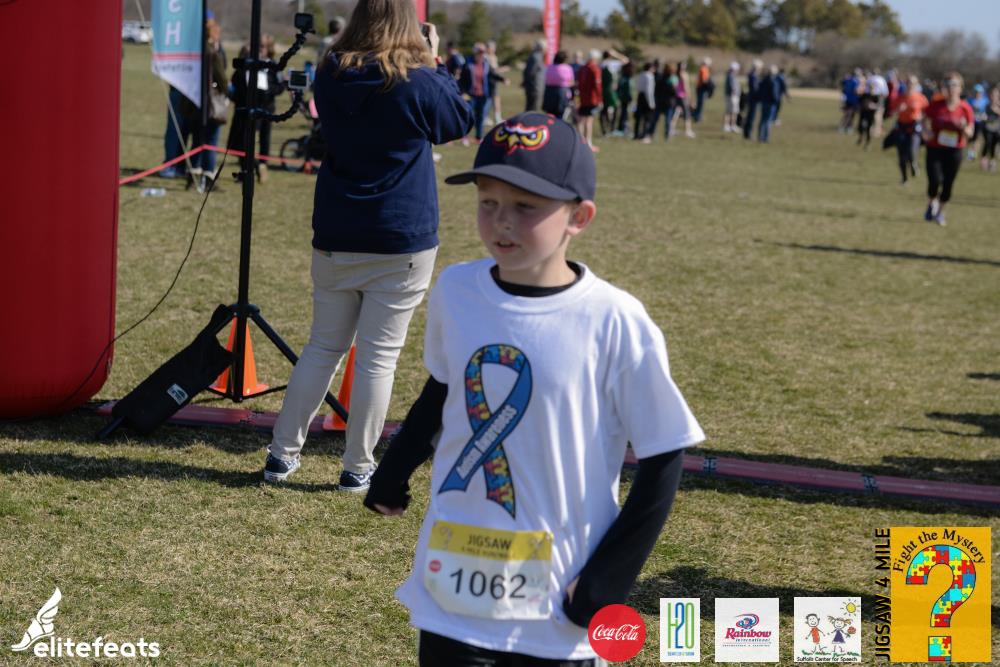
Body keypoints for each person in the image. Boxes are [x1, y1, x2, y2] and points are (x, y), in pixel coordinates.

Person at [364, 112, 704, 665]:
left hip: (557, 607)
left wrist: (607, 579)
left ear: (579, 217)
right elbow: (444, 387)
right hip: (453, 588)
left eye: (526, 207)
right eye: (488, 202)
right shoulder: (457, 290)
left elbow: (664, 454)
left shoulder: (613, 319)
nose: (502, 221)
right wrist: (395, 469)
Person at [263, 0, 473, 489]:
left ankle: (281, 454)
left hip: (338, 229)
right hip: (400, 235)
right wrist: (435, 62)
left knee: (322, 347)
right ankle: (357, 465)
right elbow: (457, 123)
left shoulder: (331, 71)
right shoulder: (418, 79)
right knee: (379, 357)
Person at [921, 72, 975, 226]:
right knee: (934, 179)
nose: (951, 88)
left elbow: (970, 132)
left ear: (961, 88)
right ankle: (932, 203)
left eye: (954, 85)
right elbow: (924, 119)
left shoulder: (965, 108)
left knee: (948, 183)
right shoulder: (936, 105)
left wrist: (964, 128)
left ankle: (940, 212)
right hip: (935, 148)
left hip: (954, 150)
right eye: (947, 85)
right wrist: (926, 131)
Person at [894, 75, 929, 184]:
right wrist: (899, 109)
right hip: (902, 126)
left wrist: (921, 118)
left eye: (912, 83)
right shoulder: (901, 97)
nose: (910, 85)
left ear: (916, 85)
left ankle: (913, 163)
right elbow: (892, 111)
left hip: (915, 126)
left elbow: (927, 113)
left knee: (912, 150)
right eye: (908, 83)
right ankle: (904, 178)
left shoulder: (921, 98)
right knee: (901, 154)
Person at [460, 43, 494, 144]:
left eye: (483, 53)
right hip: (470, 95)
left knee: (481, 116)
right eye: (479, 52)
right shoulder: (468, 64)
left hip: (483, 95)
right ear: (475, 53)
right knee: (468, 116)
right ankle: (464, 137)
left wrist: (503, 79)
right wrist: (462, 92)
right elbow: (462, 79)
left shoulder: (486, 64)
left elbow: (492, 74)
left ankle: (479, 137)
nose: (481, 55)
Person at [575, 50, 602, 152]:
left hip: (583, 97)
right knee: (589, 120)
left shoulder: (582, 68)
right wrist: (600, 98)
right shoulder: (594, 68)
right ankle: (588, 143)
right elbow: (597, 85)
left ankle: (580, 142)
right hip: (591, 98)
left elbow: (578, 83)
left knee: (581, 120)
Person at [647, 62, 677, 143]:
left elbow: (674, 92)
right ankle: (651, 134)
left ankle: (667, 136)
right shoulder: (661, 78)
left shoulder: (673, 79)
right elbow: (657, 90)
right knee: (655, 119)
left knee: (667, 120)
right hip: (661, 102)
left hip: (668, 103)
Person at [542, 50, 575, 121]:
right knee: (560, 116)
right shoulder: (567, 68)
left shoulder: (549, 67)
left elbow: (545, 79)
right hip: (562, 94)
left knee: (549, 115)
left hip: (549, 92)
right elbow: (571, 82)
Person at [485, 41, 510, 126]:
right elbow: (493, 71)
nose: (494, 49)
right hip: (490, 81)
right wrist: (503, 69)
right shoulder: (487, 57)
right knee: (494, 100)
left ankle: (489, 117)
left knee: (492, 100)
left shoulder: (493, 57)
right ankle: (496, 118)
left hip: (493, 81)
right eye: (492, 48)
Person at [670, 61, 696, 139]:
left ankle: (671, 129)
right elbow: (686, 87)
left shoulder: (676, 74)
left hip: (676, 96)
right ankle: (687, 130)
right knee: (687, 114)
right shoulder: (684, 75)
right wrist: (690, 98)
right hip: (683, 97)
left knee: (676, 113)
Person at [756, 65, 780, 143]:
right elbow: (774, 94)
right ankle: (765, 138)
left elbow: (759, 90)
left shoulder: (764, 80)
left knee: (762, 120)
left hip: (763, 102)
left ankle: (760, 137)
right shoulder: (773, 81)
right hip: (770, 104)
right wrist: (776, 101)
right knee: (768, 120)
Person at [521, 40, 546, 112]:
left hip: (535, 86)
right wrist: (527, 82)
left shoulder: (538, 56)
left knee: (532, 108)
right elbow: (530, 72)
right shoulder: (536, 57)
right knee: (533, 108)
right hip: (534, 87)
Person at [633, 62, 655, 140]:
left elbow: (638, 87)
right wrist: (651, 103)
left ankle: (636, 134)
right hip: (646, 98)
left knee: (638, 117)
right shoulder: (650, 76)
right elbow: (649, 90)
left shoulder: (641, 74)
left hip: (640, 96)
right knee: (647, 117)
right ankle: (644, 134)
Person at [981, 86, 1000, 172]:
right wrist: (984, 117)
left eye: (996, 95)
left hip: (997, 129)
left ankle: (992, 161)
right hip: (987, 128)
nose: (994, 96)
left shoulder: (999, 105)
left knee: (994, 145)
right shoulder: (987, 105)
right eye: (992, 95)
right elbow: (983, 114)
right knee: (988, 142)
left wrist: (997, 110)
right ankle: (983, 160)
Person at [969, 83, 989, 161]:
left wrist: (985, 115)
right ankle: (972, 153)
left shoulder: (985, 100)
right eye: (976, 92)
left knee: (978, 139)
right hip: (972, 122)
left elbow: (988, 111)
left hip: (981, 123)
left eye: (979, 92)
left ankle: (973, 154)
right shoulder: (970, 100)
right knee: (972, 139)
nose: (978, 93)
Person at [743, 59, 762, 140]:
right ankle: (748, 134)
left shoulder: (752, 75)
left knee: (750, 116)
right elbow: (755, 88)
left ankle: (747, 133)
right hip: (753, 99)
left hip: (752, 98)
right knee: (751, 117)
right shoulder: (753, 76)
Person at [839, 68, 862, 133]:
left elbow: (843, 88)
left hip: (848, 100)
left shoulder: (849, 81)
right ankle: (846, 127)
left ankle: (845, 127)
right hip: (852, 101)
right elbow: (856, 91)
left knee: (848, 115)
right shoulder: (855, 81)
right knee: (850, 115)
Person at [615, 61, 634, 136]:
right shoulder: (625, 77)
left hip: (624, 98)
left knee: (624, 113)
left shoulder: (625, 76)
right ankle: (622, 127)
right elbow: (625, 88)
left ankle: (622, 127)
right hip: (625, 98)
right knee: (624, 113)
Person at [693, 57, 713, 122]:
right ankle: (697, 116)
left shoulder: (705, 69)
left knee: (700, 103)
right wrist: (710, 86)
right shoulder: (703, 69)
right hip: (701, 88)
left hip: (702, 88)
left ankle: (698, 115)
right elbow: (704, 80)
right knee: (700, 103)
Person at [723, 61, 741, 132]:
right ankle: (731, 125)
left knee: (731, 111)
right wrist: (734, 94)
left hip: (731, 96)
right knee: (732, 112)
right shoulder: (731, 75)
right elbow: (732, 87)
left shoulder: (730, 75)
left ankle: (730, 125)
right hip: (732, 96)